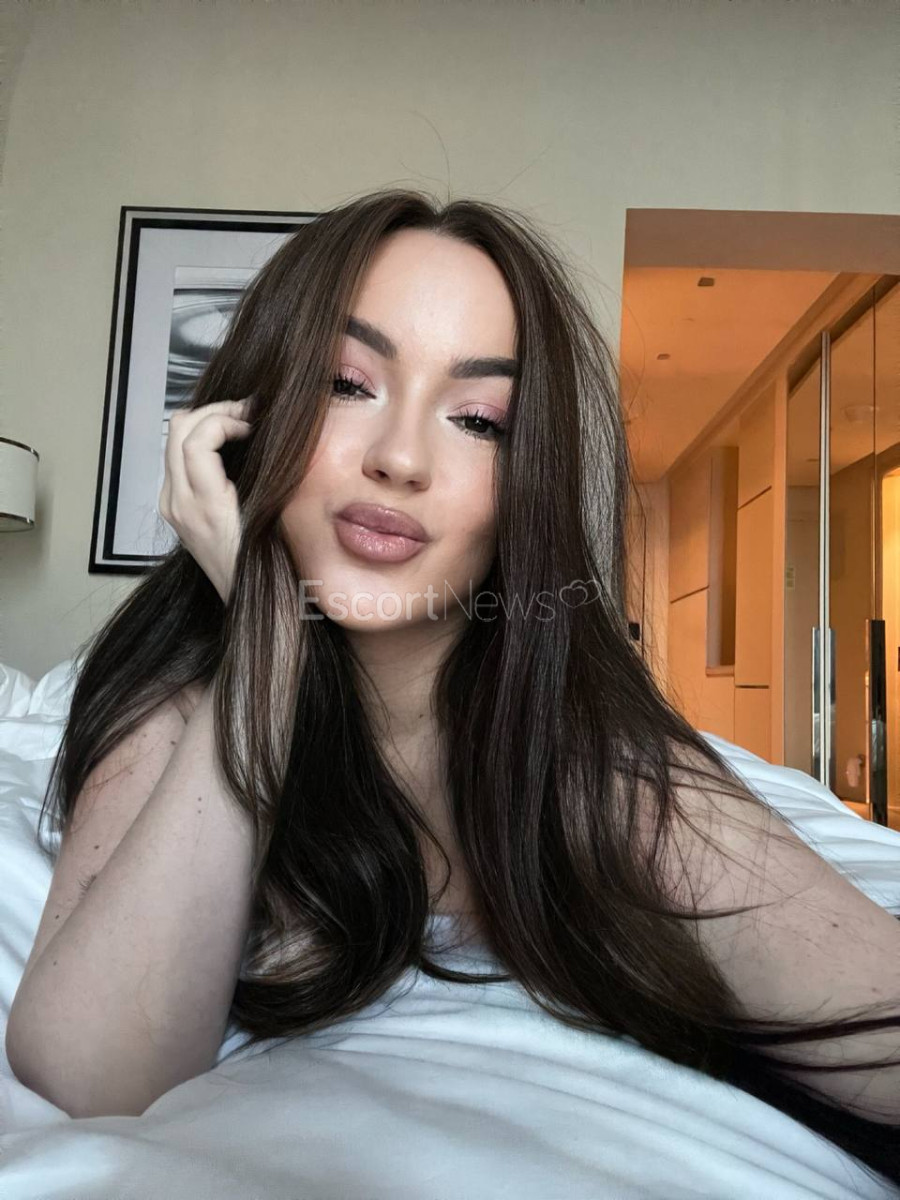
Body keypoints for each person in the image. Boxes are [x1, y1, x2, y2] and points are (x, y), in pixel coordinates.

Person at [6, 189, 900, 1188]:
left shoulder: (592, 764)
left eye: (477, 418)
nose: (399, 458)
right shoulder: (175, 703)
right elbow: (95, 1073)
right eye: (347, 384)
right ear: (246, 421)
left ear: (524, 488)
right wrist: (265, 634)